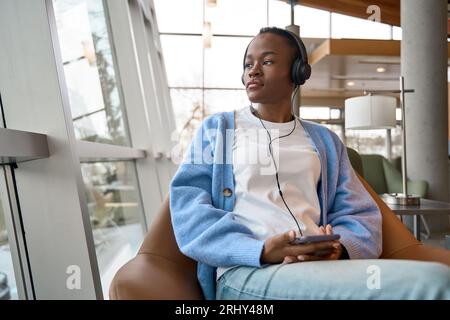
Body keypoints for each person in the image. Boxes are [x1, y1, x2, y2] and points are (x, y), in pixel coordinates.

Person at [169, 27, 450, 300]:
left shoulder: (325, 141)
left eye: (266, 61)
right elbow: (188, 210)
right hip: (247, 272)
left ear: (298, 73)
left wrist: (339, 248)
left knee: (436, 277)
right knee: (433, 283)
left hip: (322, 267)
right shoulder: (217, 130)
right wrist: (261, 250)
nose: (253, 70)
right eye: (248, 64)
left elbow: (360, 214)